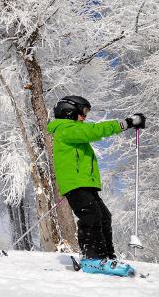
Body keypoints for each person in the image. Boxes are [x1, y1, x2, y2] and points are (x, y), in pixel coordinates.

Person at [46, 95, 145, 276]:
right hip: (75, 184)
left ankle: (107, 257)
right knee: (91, 216)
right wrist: (127, 123)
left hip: (85, 184)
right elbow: (93, 131)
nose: (85, 117)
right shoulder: (64, 129)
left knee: (103, 216)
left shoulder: (72, 130)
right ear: (69, 112)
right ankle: (92, 259)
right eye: (83, 112)